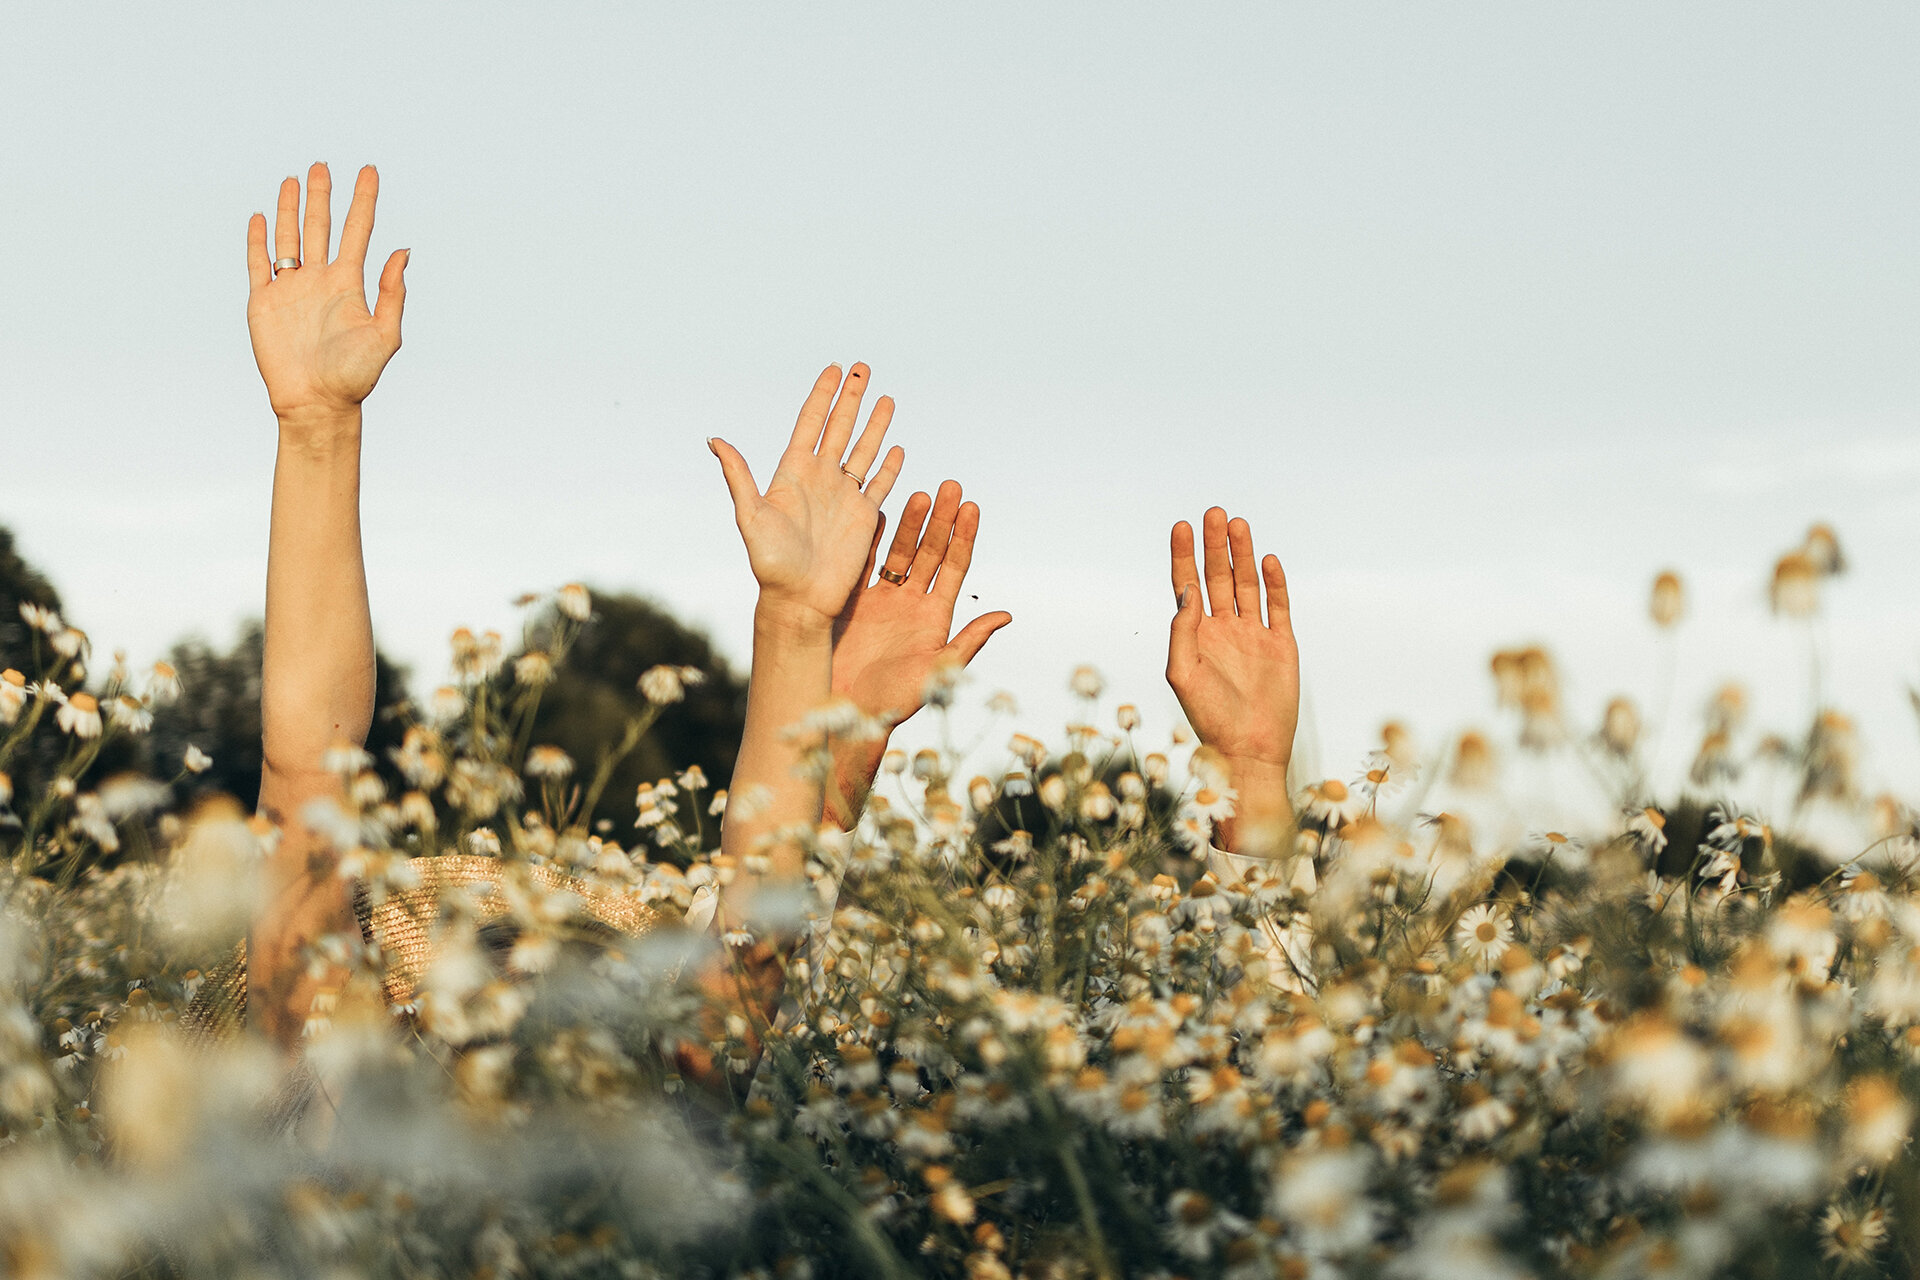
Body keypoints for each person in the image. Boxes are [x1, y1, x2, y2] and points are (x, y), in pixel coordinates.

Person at [226, 165, 1011, 1053]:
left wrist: (799, 630)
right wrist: (317, 429)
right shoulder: (329, 1123)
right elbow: (306, 782)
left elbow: (753, 939)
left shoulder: (662, 1126)